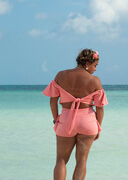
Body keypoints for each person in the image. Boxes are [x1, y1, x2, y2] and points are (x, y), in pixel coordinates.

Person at [43, 49, 108, 180]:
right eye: (95, 66)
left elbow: (52, 101)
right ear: (88, 63)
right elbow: (100, 109)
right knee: (81, 162)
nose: (95, 70)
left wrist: (56, 120)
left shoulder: (61, 75)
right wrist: (98, 127)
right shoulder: (95, 81)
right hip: (88, 122)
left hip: (65, 120)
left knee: (61, 160)